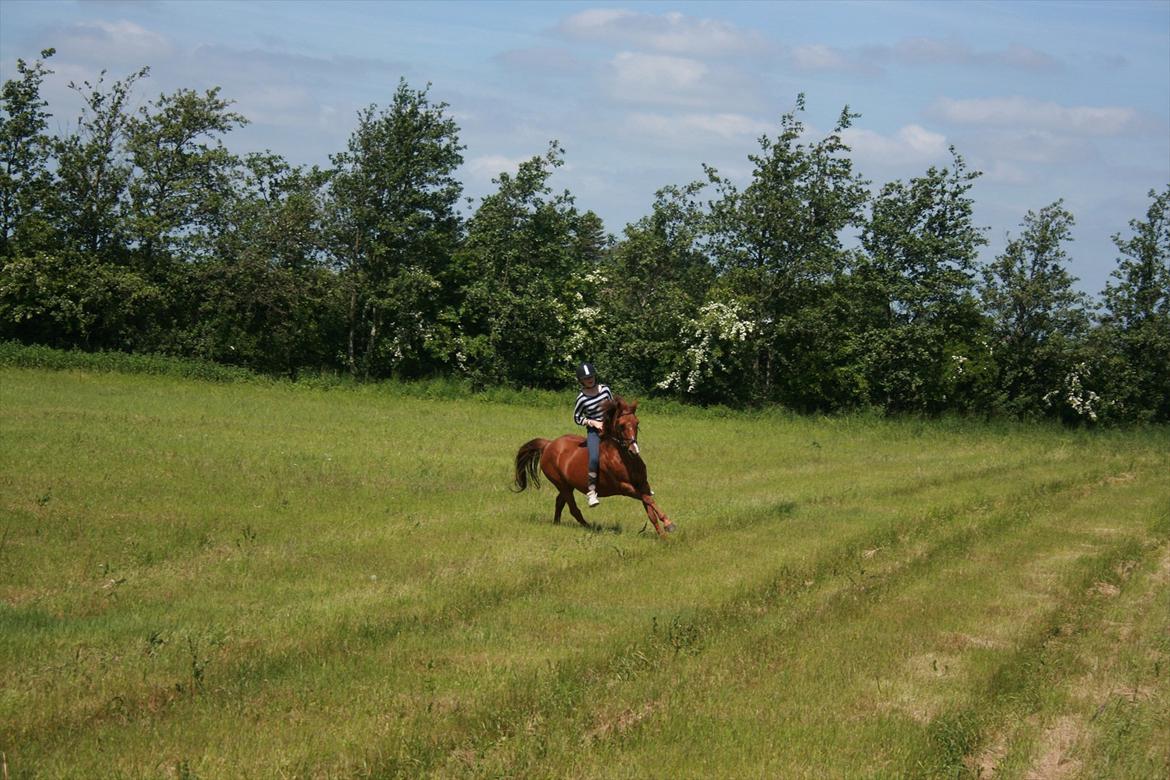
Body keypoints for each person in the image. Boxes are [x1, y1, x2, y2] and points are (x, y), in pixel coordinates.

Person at [573, 362, 613, 507]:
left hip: (610, 428)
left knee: (630, 447)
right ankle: (591, 492)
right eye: (586, 378)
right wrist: (592, 423)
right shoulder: (581, 398)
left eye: (591, 376)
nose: (590, 379)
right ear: (581, 380)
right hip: (594, 431)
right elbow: (577, 418)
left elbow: (613, 407)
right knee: (594, 458)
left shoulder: (605, 390)